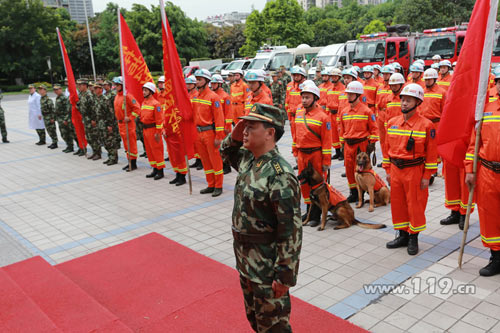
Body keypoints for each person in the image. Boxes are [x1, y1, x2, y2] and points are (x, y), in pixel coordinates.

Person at [220, 103, 302, 332]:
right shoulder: (249, 159)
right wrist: (238, 131)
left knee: (274, 326)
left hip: (267, 265)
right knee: (255, 321)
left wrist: (285, 276)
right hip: (246, 260)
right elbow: (226, 151)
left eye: (251, 126)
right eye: (245, 126)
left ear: (270, 132)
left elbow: (290, 230)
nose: (245, 131)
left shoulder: (280, 174)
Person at [384, 84, 437, 255]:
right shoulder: (392, 123)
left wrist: (427, 176)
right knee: (398, 205)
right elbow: (386, 149)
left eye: (409, 100)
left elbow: (431, 153)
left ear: (418, 102)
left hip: (415, 171)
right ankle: (402, 235)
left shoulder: (426, 125)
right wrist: (387, 170)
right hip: (396, 170)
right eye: (403, 100)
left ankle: (413, 237)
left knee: (414, 205)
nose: (404, 103)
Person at [465, 69, 500, 276]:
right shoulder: (486, 110)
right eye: (499, 82)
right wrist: (470, 169)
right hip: (488, 171)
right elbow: (473, 144)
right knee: (489, 216)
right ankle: (496, 256)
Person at [293, 80, 332, 226]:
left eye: (307, 97)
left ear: (315, 98)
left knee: (317, 184)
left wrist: (326, 162)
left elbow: (327, 142)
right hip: (302, 154)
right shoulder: (298, 112)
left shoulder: (323, 117)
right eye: (303, 97)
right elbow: (296, 133)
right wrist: (295, 150)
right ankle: (309, 209)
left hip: (315, 154)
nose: (304, 100)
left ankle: (317, 214)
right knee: (304, 184)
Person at [339, 81, 378, 203]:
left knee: (361, 169)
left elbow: (374, 129)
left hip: (361, 145)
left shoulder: (367, 111)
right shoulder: (344, 111)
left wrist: (371, 144)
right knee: (349, 170)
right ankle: (354, 193)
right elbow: (341, 129)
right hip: (348, 145)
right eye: (348, 94)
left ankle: (364, 192)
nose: (348, 96)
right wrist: (342, 144)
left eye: (351, 94)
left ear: (358, 95)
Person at [193, 69, 225, 197]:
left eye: (199, 79)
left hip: (210, 133)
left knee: (215, 160)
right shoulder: (195, 96)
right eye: (197, 79)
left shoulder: (213, 97)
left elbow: (219, 118)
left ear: (206, 81)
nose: (197, 82)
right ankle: (210, 184)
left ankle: (218, 185)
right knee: (205, 161)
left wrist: (219, 136)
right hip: (198, 133)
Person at [159, 76, 188, 185]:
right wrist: (163, 129)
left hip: (177, 133)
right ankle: (177, 173)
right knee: (172, 156)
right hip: (168, 133)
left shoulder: (178, 101)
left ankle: (182, 176)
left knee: (179, 155)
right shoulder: (165, 102)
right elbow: (162, 117)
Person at [113, 76, 140, 172]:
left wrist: (130, 117)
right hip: (121, 124)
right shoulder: (117, 96)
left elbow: (137, 108)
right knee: (126, 144)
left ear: (122, 85)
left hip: (128, 124)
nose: (116, 87)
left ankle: (133, 163)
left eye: (117, 85)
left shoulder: (128, 96)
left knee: (131, 144)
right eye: (115, 85)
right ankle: (129, 161)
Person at [380, 73, 405, 169]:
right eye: (392, 85)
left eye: (396, 85)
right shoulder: (388, 98)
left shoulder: (404, 98)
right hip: (391, 129)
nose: (394, 87)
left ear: (401, 85)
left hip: (402, 129)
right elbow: (387, 114)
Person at [140, 82, 165, 180]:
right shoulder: (144, 102)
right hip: (145, 129)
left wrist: (158, 133)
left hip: (153, 130)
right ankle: (154, 168)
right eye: (143, 90)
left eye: (145, 90)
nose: (143, 92)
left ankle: (160, 170)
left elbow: (159, 120)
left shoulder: (156, 104)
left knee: (157, 150)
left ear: (151, 92)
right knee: (149, 151)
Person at [211, 74, 233, 175]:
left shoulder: (225, 96)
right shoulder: (212, 95)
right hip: (215, 125)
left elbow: (228, 113)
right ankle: (220, 165)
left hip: (223, 126)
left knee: (224, 147)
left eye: (215, 83)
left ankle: (227, 166)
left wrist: (227, 126)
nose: (212, 85)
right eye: (212, 83)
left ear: (220, 84)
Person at [94, 83, 119, 165]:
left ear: (101, 89)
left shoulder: (105, 99)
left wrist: (110, 125)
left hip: (106, 123)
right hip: (100, 124)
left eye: (96, 88)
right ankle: (110, 157)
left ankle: (114, 158)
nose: (95, 90)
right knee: (105, 141)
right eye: (94, 88)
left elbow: (110, 113)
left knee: (110, 141)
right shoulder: (97, 99)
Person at [77, 79, 101, 159]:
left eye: (80, 85)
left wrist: (94, 119)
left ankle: (98, 153)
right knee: (89, 137)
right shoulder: (81, 94)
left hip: (90, 119)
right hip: (85, 119)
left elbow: (94, 108)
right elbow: (80, 106)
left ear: (85, 85)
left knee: (94, 136)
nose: (78, 86)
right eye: (78, 85)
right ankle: (94, 152)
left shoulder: (89, 95)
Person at [326, 68, 345, 160]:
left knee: (340, 133)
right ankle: (337, 152)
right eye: (332, 76)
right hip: (331, 114)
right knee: (333, 134)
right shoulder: (329, 89)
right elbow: (327, 102)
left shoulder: (343, 89)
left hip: (339, 113)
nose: (333, 78)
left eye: (335, 76)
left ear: (339, 77)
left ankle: (342, 153)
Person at [186, 75, 203, 171]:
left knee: (198, 142)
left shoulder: (197, 95)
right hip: (190, 122)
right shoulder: (188, 95)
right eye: (187, 84)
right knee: (194, 142)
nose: (188, 86)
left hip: (196, 121)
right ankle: (197, 160)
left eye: (190, 84)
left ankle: (201, 161)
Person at [53, 84, 74, 152]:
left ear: (61, 89)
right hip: (60, 119)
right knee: (63, 134)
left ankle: (71, 147)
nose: (56, 91)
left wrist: (66, 119)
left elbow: (67, 109)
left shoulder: (64, 98)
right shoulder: (58, 97)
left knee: (67, 133)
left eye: (57, 89)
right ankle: (68, 146)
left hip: (64, 119)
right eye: (55, 90)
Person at [38, 84, 58, 149]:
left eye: (41, 89)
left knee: (52, 130)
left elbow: (52, 110)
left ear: (45, 90)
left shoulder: (48, 99)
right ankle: (53, 142)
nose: (40, 91)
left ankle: (55, 143)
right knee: (49, 130)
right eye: (39, 89)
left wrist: (53, 118)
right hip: (45, 117)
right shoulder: (41, 98)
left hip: (49, 117)